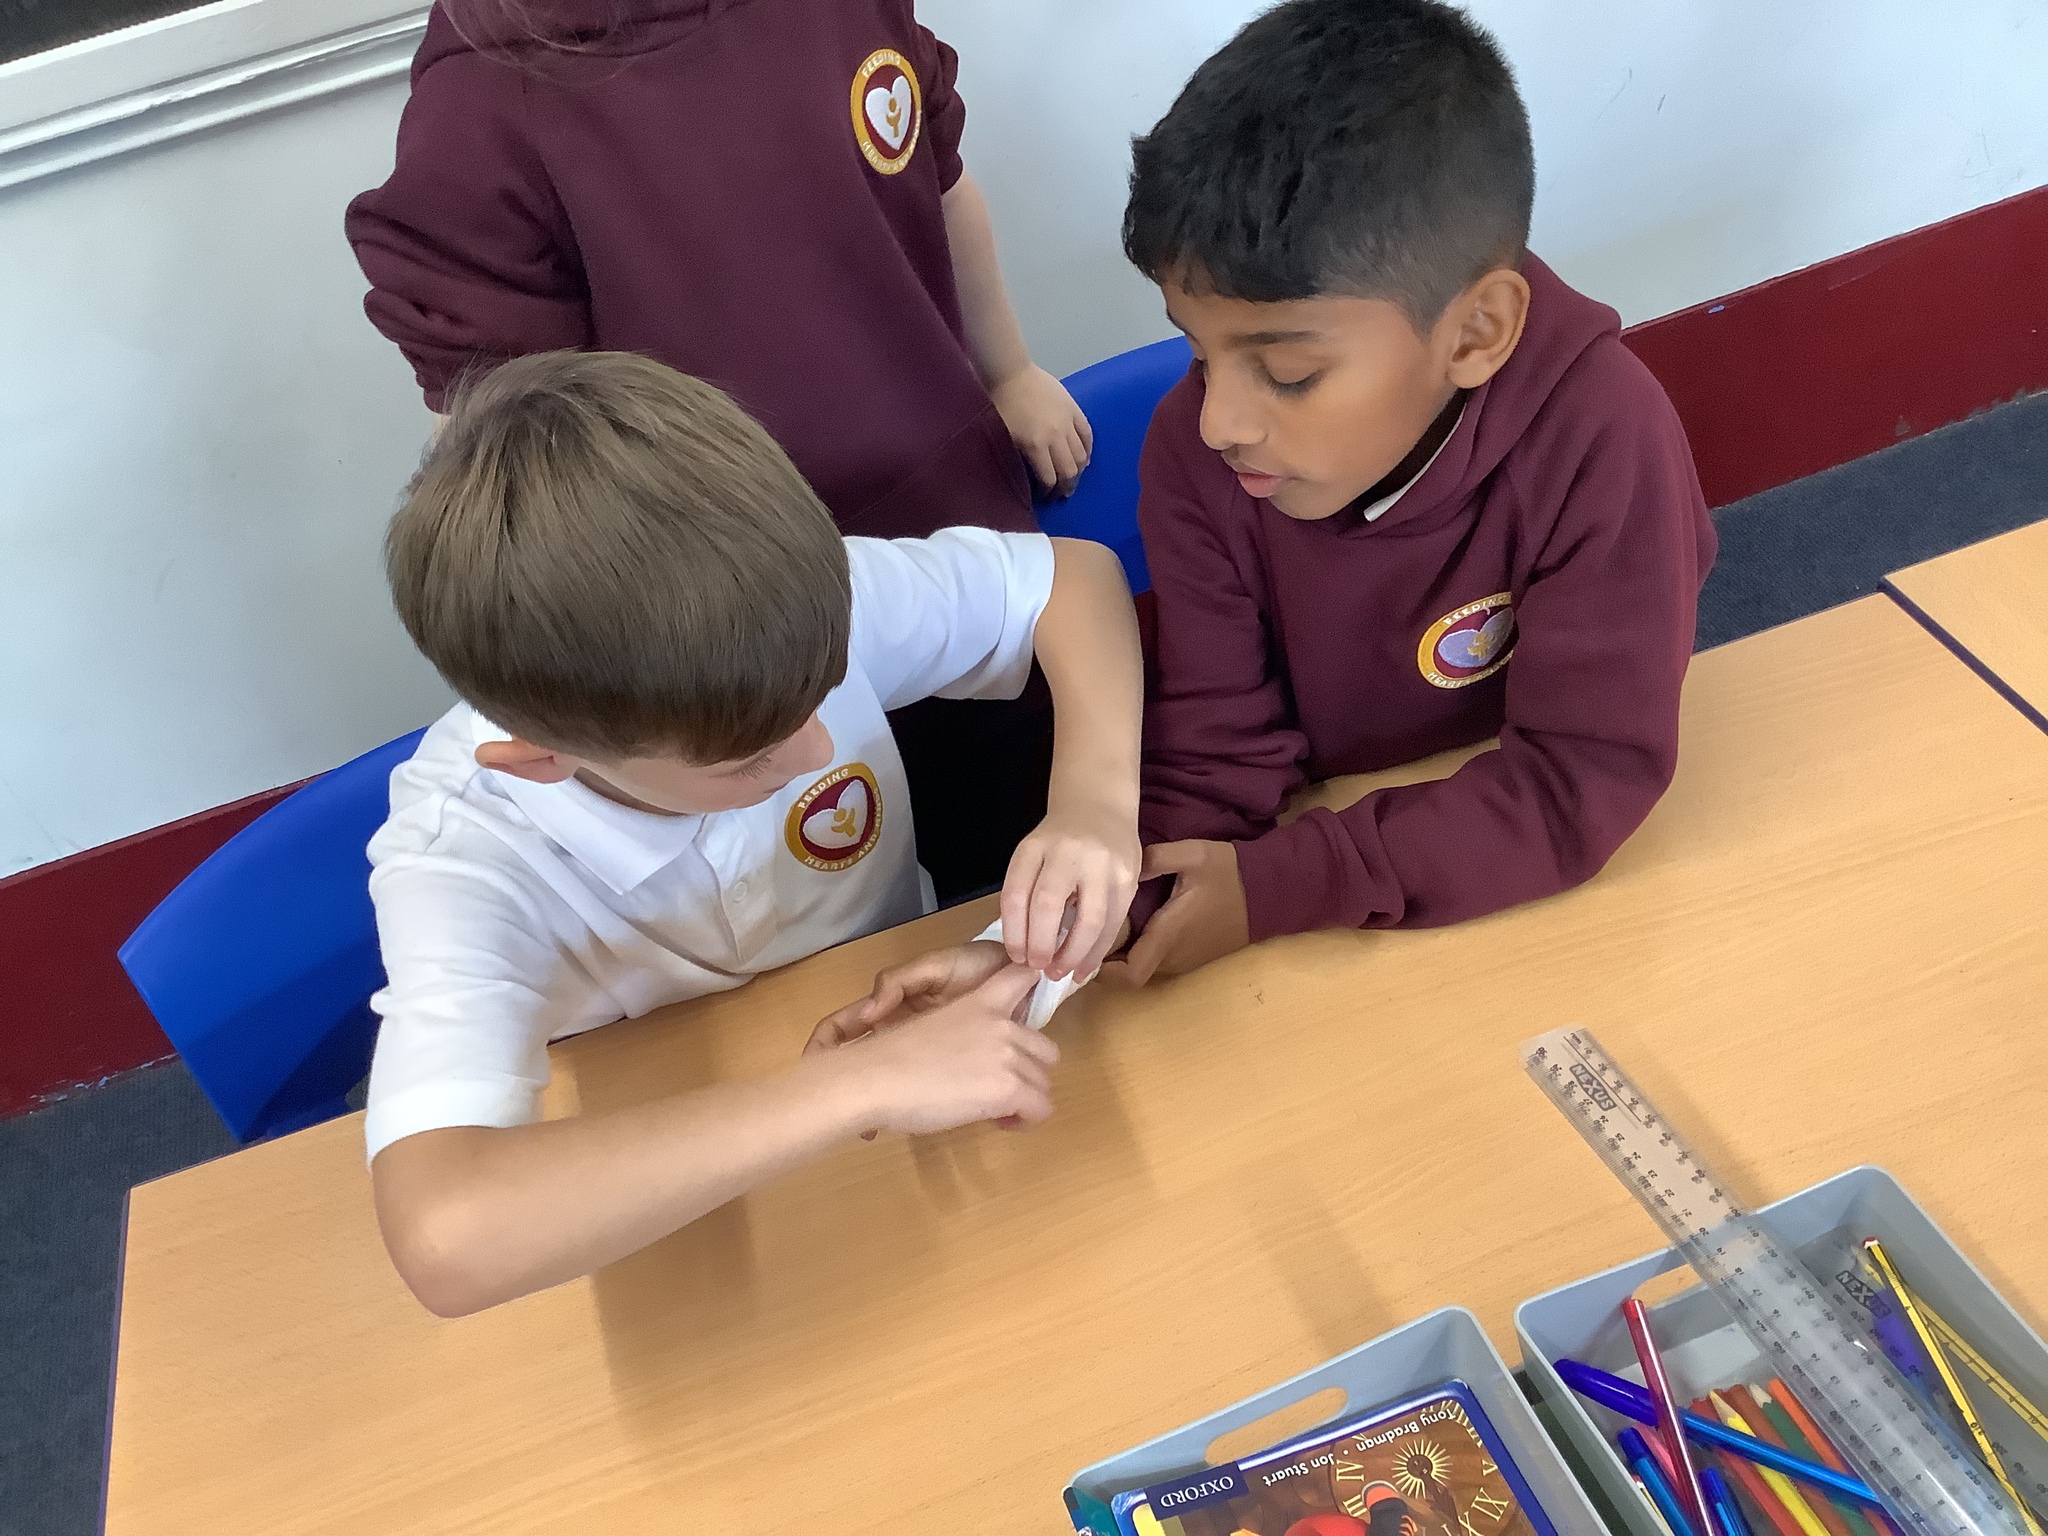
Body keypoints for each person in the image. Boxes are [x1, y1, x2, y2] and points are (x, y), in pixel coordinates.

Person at [365, 350, 1140, 1316]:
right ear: (543, 761)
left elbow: (1072, 580)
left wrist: (1095, 802)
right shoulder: (463, 856)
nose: (820, 750)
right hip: (683, 1209)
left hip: (908, 1081)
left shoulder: (790, 603)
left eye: (826, 692)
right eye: (747, 760)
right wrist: (862, 1086)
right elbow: (448, 1236)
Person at [344, 0, 1093, 900]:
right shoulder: (483, 107)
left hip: (945, 510)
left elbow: (939, 181)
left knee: (1010, 829)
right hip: (712, 619)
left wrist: (1010, 371)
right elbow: (506, 433)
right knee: (803, 877)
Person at [1105, 0, 1717, 984]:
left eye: (1288, 373)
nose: (1219, 420)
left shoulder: (1604, 438)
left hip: (1499, 902)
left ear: (1474, 334)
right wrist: (1092, 923)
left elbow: (1580, 777)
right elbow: (1215, 754)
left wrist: (1291, 882)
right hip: (1366, 867)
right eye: (1197, 350)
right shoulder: (1194, 453)